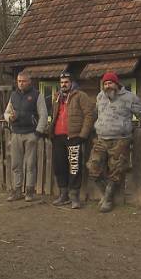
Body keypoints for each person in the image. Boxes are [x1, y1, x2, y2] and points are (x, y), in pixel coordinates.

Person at [87, 72, 141, 213]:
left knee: (116, 170)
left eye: (110, 83)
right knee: (92, 168)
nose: (108, 86)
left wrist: (139, 131)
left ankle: (107, 199)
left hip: (120, 140)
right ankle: (107, 194)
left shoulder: (130, 97)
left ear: (117, 84)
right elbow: (96, 114)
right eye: (105, 84)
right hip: (101, 138)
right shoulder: (100, 96)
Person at [49, 72, 94, 209]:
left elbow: (89, 115)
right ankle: (63, 195)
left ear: (72, 83)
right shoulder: (57, 97)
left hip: (74, 136)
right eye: (62, 82)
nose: (63, 84)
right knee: (59, 166)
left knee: (74, 167)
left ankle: (74, 196)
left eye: (66, 82)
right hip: (58, 137)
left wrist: (83, 135)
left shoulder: (81, 96)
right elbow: (54, 115)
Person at [4, 72, 48, 202]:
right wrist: (9, 118)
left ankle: (29, 192)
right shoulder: (13, 96)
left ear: (29, 81)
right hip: (16, 133)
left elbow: (43, 115)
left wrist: (38, 133)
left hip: (30, 134)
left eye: (23, 81)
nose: (20, 83)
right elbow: (6, 112)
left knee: (30, 165)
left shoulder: (37, 95)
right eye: (19, 81)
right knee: (16, 164)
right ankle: (17, 191)